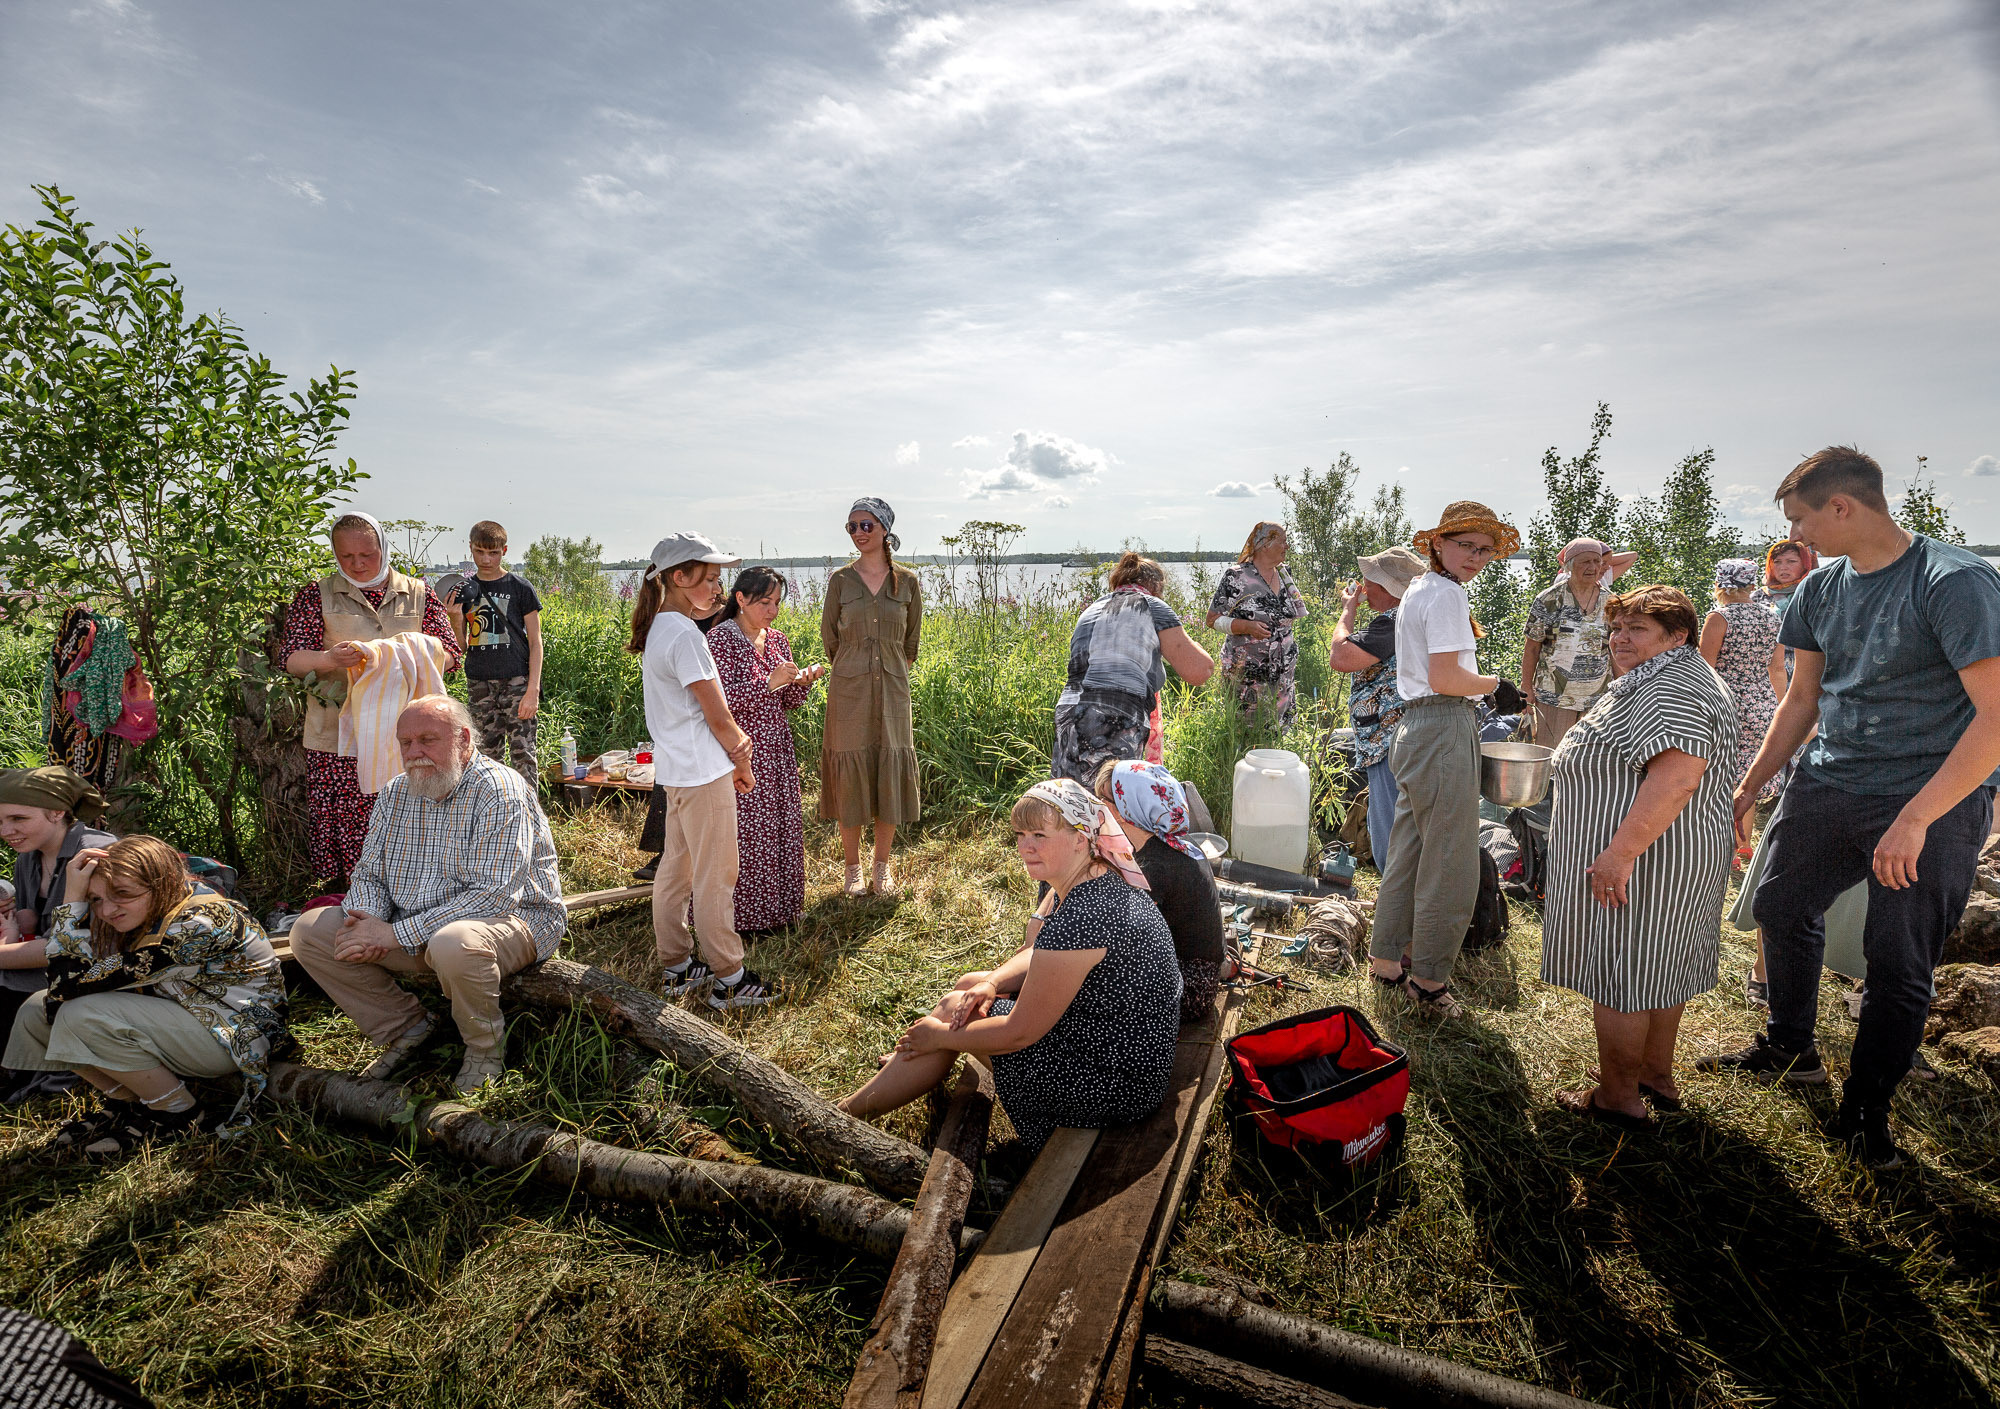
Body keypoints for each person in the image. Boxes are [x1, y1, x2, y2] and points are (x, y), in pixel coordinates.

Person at [1698, 447, 2000, 1170]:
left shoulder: (1955, 582)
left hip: (1935, 791)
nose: (1795, 538)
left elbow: (1994, 718)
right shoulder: (1822, 588)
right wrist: (1751, 782)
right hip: (1834, 779)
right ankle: (1790, 1047)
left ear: (1842, 507)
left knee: (1897, 959)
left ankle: (1866, 1111)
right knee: (1779, 902)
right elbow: (1802, 699)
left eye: (1800, 519)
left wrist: (1919, 816)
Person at [838, 778, 1182, 1152]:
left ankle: (843, 1116)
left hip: (1109, 1087)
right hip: (1129, 1059)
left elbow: (1019, 1032)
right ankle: (917, 1063)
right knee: (973, 984)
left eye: (1039, 834)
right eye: (1020, 834)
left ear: (1081, 838)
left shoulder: (1082, 917)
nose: (1026, 846)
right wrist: (992, 982)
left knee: (955, 1011)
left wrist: (939, 1035)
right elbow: (1047, 954)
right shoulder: (1101, 878)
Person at [290, 696, 567, 1094]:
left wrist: (391, 936)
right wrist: (367, 921)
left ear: (464, 740)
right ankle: (407, 1026)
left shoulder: (500, 789)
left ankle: (484, 1049)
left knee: (454, 943)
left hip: (514, 921)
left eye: (427, 739)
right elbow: (369, 873)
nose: (414, 753)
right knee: (311, 931)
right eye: (406, 743)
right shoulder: (396, 792)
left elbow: (494, 896)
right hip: (414, 923)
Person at [1542, 587, 1736, 1130]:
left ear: (1677, 636)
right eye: (1617, 627)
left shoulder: (1670, 685)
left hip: (1648, 859)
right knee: (1659, 967)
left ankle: (1618, 1098)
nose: (1620, 638)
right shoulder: (1671, 674)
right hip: (1673, 851)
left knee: (1624, 973)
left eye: (1638, 629)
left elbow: (1676, 776)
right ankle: (1654, 1074)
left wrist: (1618, 855)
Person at [6, 835, 287, 1155]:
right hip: (189, 1015)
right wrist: (80, 896)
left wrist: (73, 898)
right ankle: (130, 1102)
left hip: (237, 1037)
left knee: (78, 1013)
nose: (108, 910)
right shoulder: (157, 905)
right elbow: (60, 988)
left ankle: (177, 1113)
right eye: (95, 898)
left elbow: (65, 985)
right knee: (35, 1011)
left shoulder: (196, 925)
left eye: (122, 894)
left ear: (163, 882)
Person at [1368, 501, 1526, 1018]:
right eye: (1466, 546)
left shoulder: (1417, 588)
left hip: (1412, 725)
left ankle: (1386, 962)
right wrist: (1496, 685)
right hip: (1442, 721)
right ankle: (1430, 981)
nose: (1476, 557)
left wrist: (1476, 688)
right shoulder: (1449, 595)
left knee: (1410, 850)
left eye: (1484, 550)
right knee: (1451, 860)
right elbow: (1446, 679)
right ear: (1438, 544)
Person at [632, 534, 776, 1009]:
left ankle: (677, 966)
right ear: (679, 578)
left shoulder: (660, 628)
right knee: (717, 875)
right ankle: (729, 978)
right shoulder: (685, 636)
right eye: (710, 578)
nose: (718, 588)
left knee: (677, 867)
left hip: (677, 772)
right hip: (702, 772)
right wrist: (741, 756)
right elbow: (718, 717)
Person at [280, 511, 463, 883]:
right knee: (350, 819)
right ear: (335, 554)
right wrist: (331, 659)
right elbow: (293, 659)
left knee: (415, 811)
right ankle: (352, 897)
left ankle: (418, 890)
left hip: (409, 734)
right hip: (340, 736)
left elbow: (451, 655)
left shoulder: (417, 592)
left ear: (383, 547)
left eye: (367, 555)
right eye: (347, 557)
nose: (358, 564)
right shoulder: (317, 594)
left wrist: (409, 652)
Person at [708, 567, 828, 933]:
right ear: (740, 598)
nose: (773, 610)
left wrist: (800, 682)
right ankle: (746, 920)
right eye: (765, 602)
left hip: (776, 746)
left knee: (781, 826)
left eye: (777, 602)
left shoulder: (777, 639)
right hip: (741, 749)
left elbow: (785, 700)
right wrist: (768, 681)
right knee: (747, 833)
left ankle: (783, 911)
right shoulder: (720, 639)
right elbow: (717, 701)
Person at [822, 498, 924, 897]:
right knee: (851, 774)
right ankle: (852, 870)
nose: (858, 533)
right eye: (851, 527)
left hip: (895, 691)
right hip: (848, 691)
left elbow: (911, 643)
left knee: (889, 772)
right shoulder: (840, 582)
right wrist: (855, 668)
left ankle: (881, 867)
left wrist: (888, 670)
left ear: (884, 528)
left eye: (865, 525)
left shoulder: (909, 582)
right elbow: (831, 639)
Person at [0, 766, 114, 1104]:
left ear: (57, 812)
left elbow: (79, 946)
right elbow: (34, 928)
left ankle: (29, 1076)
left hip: (98, 969)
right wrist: (18, 922)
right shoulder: (28, 857)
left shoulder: (95, 854)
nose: (6, 831)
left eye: (18, 818)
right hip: (56, 960)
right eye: (0, 821)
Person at [1052, 553, 1213, 785]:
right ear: (1156, 585)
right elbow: (1200, 671)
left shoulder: (1091, 609)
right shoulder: (1152, 606)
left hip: (1068, 711)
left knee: (1071, 795)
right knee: (1113, 798)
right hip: (1116, 715)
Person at [1093, 759, 1227, 1024]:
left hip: (1190, 989)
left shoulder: (1156, 867)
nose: (1097, 806)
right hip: (1200, 972)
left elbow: (1120, 938)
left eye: (1101, 799)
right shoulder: (1175, 840)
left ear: (1123, 809)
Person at [1327, 546, 1427, 868]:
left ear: (1388, 588)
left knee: (1388, 833)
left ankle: (1393, 904)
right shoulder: (1415, 617)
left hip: (1389, 743)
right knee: (1402, 825)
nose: (1364, 588)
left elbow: (1340, 657)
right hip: (1407, 737)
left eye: (1370, 582)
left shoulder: (1393, 622)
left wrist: (1347, 611)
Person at [447, 519, 544, 787]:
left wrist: (532, 690)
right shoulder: (464, 591)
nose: (486, 558)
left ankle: (529, 819)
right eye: (480, 551)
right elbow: (461, 647)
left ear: (504, 550)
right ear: (470, 549)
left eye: (493, 552)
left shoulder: (520, 587)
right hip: (479, 683)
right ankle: (494, 816)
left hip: (517, 681)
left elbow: (536, 642)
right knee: (485, 757)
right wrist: (455, 618)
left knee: (523, 754)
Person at [1521, 538, 1638, 749]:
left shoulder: (1611, 602)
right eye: (1585, 562)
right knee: (1550, 760)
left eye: (1596, 561)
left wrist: (1623, 689)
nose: (1593, 567)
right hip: (1554, 698)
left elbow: (1615, 649)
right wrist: (1526, 687)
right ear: (1570, 565)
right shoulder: (1550, 599)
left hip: (1597, 699)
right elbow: (1532, 647)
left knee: (1586, 762)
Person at [1699, 558, 1786, 813]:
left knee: (1719, 774)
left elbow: (1706, 669)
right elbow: (1778, 668)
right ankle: (1743, 842)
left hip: (1725, 702)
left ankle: (1724, 844)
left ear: (1719, 584)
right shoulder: (1773, 618)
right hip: (1762, 701)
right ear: (1751, 585)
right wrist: (1779, 708)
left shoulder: (1718, 617)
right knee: (1747, 777)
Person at [1205, 523, 1309, 728]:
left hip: (1283, 673)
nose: (1287, 546)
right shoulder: (1237, 576)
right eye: (1283, 542)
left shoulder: (1284, 574)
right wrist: (1245, 626)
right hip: (1248, 674)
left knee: (1278, 732)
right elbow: (1212, 619)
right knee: (1247, 731)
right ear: (1265, 544)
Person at [1755, 538, 1819, 623]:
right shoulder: (1759, 597)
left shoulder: (1817, 595)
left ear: (1806, 565)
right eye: (1777, 562)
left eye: (1791, 561)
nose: (1783, 567)